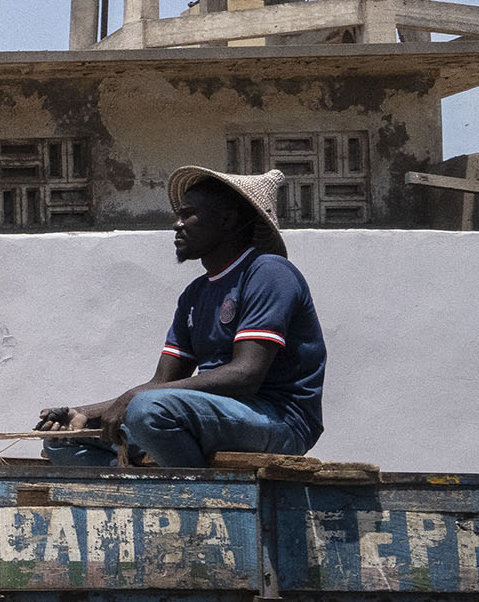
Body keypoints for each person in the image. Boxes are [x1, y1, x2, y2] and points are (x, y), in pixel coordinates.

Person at [40, 166, 325, 469]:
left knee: (147, 410)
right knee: (62, 441)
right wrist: (84, 413)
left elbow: (246, 375)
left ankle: (195, 493)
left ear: (227, 220)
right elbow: (163, 382)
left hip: (278, 420)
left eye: (188, 214)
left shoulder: (268, 272)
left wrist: (133, 398)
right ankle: (146, 486)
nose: (176, 224)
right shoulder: (195, 294)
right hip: (209, 416)